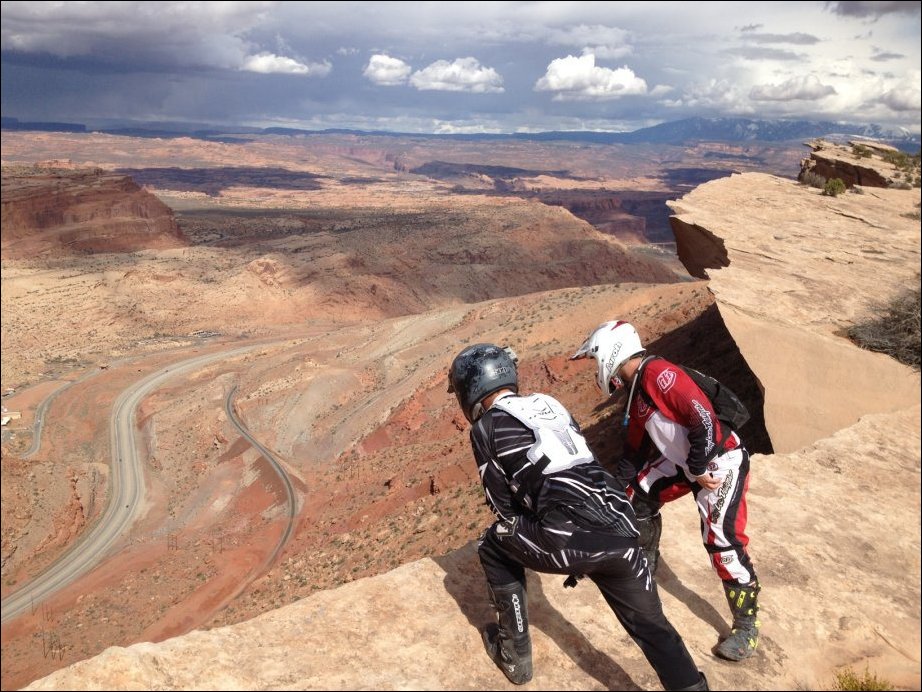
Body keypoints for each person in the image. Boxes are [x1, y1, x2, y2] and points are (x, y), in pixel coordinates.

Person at [447, 342, 708, 691]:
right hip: (621, 524)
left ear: (470, 389)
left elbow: (502, 506)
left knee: (494, 542)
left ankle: (515, 657)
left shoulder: (486, 427)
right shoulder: (550, 405)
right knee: (653, 627)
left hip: (569, 538)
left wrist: (538, 524)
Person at [571, 320, 761, 662]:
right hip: (688, 464)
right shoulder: (637, 392)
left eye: (594, 360)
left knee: (722, 541)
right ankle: (644, 566)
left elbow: (702, 418)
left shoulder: (658, 374)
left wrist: (700, 467)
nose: (596, 369)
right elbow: (633, 454)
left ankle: (746, 627)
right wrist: (614, 496)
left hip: (719, 462)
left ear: (611, 353)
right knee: (637, 495)